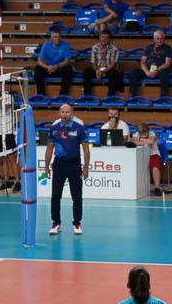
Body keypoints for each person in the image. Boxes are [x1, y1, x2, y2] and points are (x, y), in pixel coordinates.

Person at [45, 104, 90, 235]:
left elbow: (86, 149)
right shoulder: (54, 129)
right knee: (55, 195)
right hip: (59, 164)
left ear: (72, 113)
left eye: (68, 112)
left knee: (77, 196)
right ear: (59, 113)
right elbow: (49, 148)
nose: (65, 114)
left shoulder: (79, 128)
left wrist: (86, 168)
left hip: (74, 164)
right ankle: (56, 223)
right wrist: (46, 166)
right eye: (63, 112)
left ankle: (77, 223)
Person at [0, 91, 20, 193]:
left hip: (7, 132)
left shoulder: (8, 97)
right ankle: (6, 182)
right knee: (1, 159)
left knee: (11, 158)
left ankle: (18, 182)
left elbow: (5, 107)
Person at [130, 30, 172, 98]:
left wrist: (156, 70)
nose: (160, 40)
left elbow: (167, 64)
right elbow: (142, 62)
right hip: (148, 70)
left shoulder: (167, 48)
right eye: (158, 39)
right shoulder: (149, 47)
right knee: (134, 71)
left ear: (164, 39)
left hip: (159, 70)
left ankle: (163, 97)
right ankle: (133, 95)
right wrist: (147, 72)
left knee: (165, 72)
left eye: (161, 38)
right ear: (154, 39)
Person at [33, 30, 74, 97]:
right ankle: (41, 94)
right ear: (51, 38)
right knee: (37, 69)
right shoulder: (46, 45)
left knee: (68, 69)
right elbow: (39, 61)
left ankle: (63, 95)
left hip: (59, 67)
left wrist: (56, 66)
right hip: (48, 68)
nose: (57, 39)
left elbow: (67, 61)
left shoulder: (65, 45)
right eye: (55, 37)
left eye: (58, 37)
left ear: (61, 37)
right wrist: (48, 67)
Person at [83, 30, 121, 98]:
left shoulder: (114, 49)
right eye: (102, 37)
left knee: (114, 74)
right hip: (97, 69)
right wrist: (97, 71)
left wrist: (103, 71)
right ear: (99, 38)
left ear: (109, 39)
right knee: (86, 71)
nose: (104, 39)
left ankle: (110, 97)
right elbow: (93, 62)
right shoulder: (95, 47)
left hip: (108, 70)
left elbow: (113, 63)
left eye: (106, 37)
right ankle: (87, 96)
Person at [133, 123, 162, 196]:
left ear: (148, 131)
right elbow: (133, 141)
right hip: (140, 155)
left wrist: (140, 140)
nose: (143, 136)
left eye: (145, 135)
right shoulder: (135, 134)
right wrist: (144, 141)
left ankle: (157, 188)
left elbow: (151, 141)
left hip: (153, 154)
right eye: (141, 135)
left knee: (155, 167)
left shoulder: (152, 134)